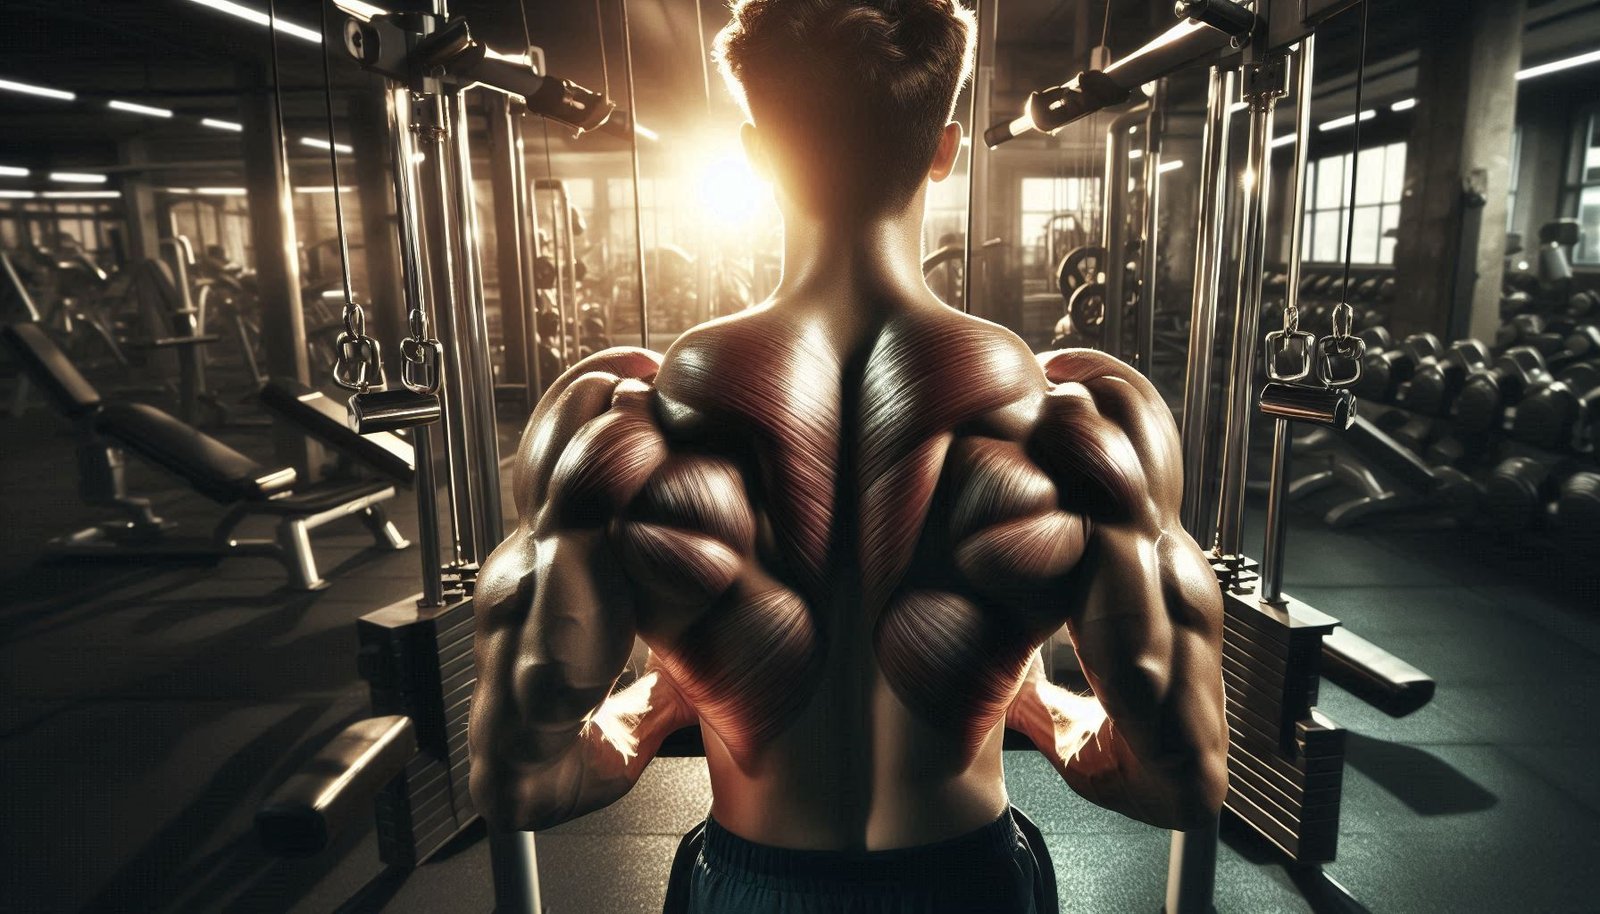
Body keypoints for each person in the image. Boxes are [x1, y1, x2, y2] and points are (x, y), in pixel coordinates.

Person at [469, 1, 1228, 911]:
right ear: (944, 149)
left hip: (752, 887)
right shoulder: (1072, 423)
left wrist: (656, 706)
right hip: (969, 884)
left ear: (758, 154)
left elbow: (524, 783)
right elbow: (1177, 777)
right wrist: (1037, 707)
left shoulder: (628, 423)